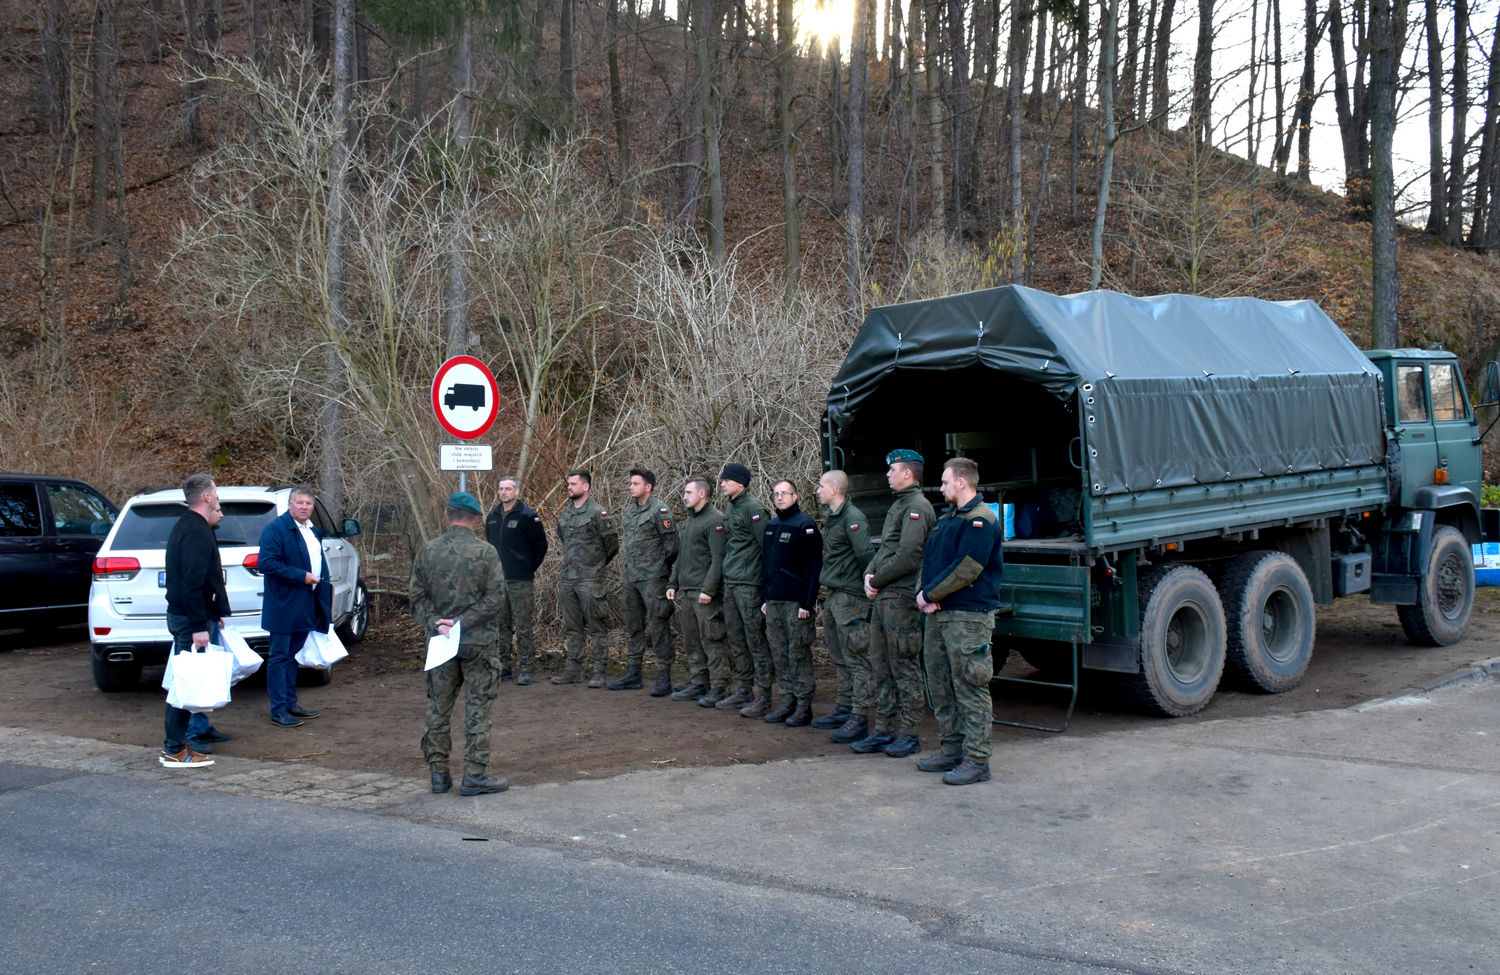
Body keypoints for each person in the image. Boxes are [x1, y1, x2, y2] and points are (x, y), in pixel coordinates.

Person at [409, 492, 510, 796]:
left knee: (438, 708)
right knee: (478, 709)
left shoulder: (428, 551)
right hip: (479, 644)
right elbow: (496, 599)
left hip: (441, 643)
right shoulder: (486, 552)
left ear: (446, 515)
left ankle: (439, 774)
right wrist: (464, 620)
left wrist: (437, 622)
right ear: (476, 519)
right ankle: (474, 775)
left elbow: (416, 597)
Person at [916, 457, 1006, 785]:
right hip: (940, 615)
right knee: (939, 684)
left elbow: (968, 567)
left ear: (962, 482)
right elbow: (931, 562)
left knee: (970, 685)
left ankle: (978, 759)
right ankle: (952, 748)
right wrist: (925, 594)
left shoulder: (981, 520)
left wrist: (929, 595)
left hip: (968, 617)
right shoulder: (947, 520)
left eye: (944, 482)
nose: (940, 488)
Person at [843, 449, 934, 757]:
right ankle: (883, 730)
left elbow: (909, 556)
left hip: (901, 598)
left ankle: (908, 734)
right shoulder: (900, 505)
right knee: (881, 665)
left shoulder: (917, 507)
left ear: (907, 473)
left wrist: (877, 580)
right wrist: (870, 573)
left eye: (892, 470)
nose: (887, 474)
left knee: (903, 667)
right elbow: (885, 550)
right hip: (884, 598)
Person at [159, 473, 229, 768]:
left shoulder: (189, 526)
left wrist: (213, 614)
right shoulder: (195, 530)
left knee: (184, 683)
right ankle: (174, 749)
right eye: (216, 491)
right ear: (207, 497)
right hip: (189, 621)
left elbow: (200, 582)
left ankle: (178, 745)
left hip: (190, 617)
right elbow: (191, 582)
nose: (218, 496)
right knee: (184, 686)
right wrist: (199, 625)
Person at [258, 484, 331, 728]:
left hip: (306, 603)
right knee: (279, 657)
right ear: (290, 504)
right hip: (282, 604)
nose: (304, 507)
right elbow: (267, 563)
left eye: (308, 504)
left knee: (292, 656)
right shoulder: (276, 530)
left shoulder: (313, 531)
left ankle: (290, 703)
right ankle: (278, 709)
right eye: (299, 502)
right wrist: (301, 576)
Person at [813, 470, 874, 732]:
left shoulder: (853, 518)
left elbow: (865, 555)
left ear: (835, 489)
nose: (817, 490)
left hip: (850, 597)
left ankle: (859, 716)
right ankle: (844, 707)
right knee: (838, 656)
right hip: (834, 595)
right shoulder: (833, 516)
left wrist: (866, 586)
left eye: (821, 486)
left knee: (857, 658)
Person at [610, 468, 679, 695]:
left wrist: (661, 570)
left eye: (635, 483)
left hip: (653, 579)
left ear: (647, 487)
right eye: (630, 483)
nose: (630, 487)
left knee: (658, 624)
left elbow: (672, 547)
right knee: (633, 625)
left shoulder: (660, 511)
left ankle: (664, 675)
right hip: (632, 577)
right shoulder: (630, 512)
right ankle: (634, 672)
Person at [759, 480, 823, 726]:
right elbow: (767, 565)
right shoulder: (772, 526)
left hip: (796, 602)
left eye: (785, 494)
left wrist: (807, 603)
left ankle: (804, 705)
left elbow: (813, 566)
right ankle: (787, 702)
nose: (780, 498)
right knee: (779, 653)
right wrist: (766, 597)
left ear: (795, 497)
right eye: (776, 494)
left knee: (797, 653)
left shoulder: (805, 525)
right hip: (774, 601)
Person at [665, 476, 730, 704]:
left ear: (702, 494)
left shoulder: (715, 521)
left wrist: (709, 589)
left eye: (688, 493)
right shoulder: (690, 522)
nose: (684, 497)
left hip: (705, 594)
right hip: (688, 590)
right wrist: (673, 583)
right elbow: (681, 557)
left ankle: (719, 685)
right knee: (692, 640)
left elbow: (718, 558)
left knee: (711, 639)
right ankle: (698, 681)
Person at [552, 469, 619, 687]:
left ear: (585, 486)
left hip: (590, 580)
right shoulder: (566, 513)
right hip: (568, 578)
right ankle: (573, 669)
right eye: (568, 484)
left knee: (597, 627)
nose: (568, 487)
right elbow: (564, 539)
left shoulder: (598, 513)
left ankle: (599, 671)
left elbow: (612, 545)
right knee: (573, 627)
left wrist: (595, 566)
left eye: (573, 484)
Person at [484, 476, 549, 685]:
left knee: (523, 626)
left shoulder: (528, 516)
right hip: (498, 581)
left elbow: (541, 546)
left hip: (520, 581)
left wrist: (527, 567)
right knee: (501, 626)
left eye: (508, 489)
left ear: (517, 492)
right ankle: (503, 667)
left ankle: (527, 668)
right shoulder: (493, 516)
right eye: (501, 489)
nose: (504, 492)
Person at [716, 462, 768, 714]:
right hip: (732, 583)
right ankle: (744, 689)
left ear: (741, 483)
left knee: (755, 641)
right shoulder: (732, 506)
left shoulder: (754, 509)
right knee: (737, 639)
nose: (722, 483)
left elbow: (765, 548)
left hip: (749, 585)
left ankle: (764, 696)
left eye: (727, 480)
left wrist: (765, 587)